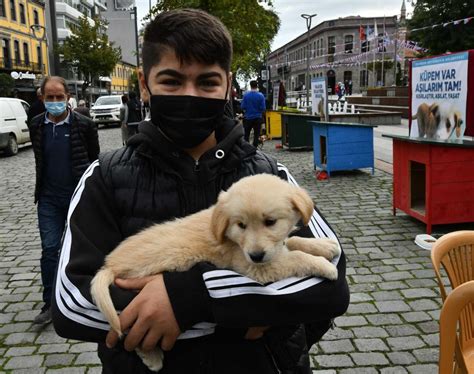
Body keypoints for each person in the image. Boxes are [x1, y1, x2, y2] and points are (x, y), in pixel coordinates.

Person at [52, 9, 349, 374]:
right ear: (144, 85)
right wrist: (256, 309)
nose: (189, 95)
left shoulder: (269, 174)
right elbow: (70, 306)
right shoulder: (106, 177)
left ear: (227, 86)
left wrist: (190, 298)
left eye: (207, 82)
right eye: (172, 82)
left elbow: (331, 285)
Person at [29, 76, 100, 324]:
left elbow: (95, 161)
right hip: (48, 199)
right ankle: (50, 303)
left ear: (68, 96)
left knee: (81, 248)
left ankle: (82, 296)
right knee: (50, 249)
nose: (56, 101)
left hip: (77, 197)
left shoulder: (84, 125)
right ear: (42, 98)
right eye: (50, 97)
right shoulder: (37, 125)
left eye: (60, 96)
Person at [241, 80, 266, 147]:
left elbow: (242, 106)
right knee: (256, 134)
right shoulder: (261, 96)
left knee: (246, 134)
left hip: (248, 118)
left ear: (250, 85)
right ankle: (255, 147)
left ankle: (246, 147)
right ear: (257, 86)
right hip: (258, 117)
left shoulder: (246, 95)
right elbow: (263, 108)